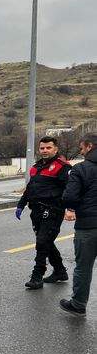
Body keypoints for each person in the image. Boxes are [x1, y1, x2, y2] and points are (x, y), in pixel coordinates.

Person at [15, 136, 72, 289]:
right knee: (46, 242)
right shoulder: (36, 167)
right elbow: (30, 188)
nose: (45, 151)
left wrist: (70, 208)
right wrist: (21, 204)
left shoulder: (62, 166)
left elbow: (71, 189)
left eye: (48, 148)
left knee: (41, 242)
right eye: (42, 148)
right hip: (36, 211)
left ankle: (37, 276)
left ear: (56, 149)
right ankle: (60, 271)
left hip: (53, 211)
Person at [59, 134, 97, 318]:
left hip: (88, 226)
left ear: (90, 146)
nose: (81, 152)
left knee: (83, 266)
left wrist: (71, 207)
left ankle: (78, 304)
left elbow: (69, 196)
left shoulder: (81, 169)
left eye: (82, 149)